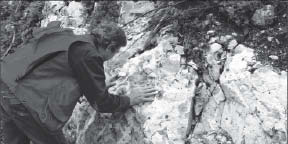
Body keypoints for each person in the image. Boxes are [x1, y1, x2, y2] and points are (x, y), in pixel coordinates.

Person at [0, 21, 158, 144]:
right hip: (26, 102)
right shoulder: (88, 54)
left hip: (6, 86)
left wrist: (93, 85)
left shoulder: (73, 40)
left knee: (15, 140)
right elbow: (101, 103)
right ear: (109, 46)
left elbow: (53, 72)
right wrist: (129, 99)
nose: (113, 57)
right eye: (115, 53)